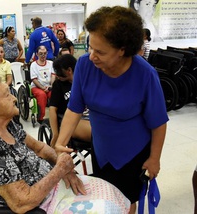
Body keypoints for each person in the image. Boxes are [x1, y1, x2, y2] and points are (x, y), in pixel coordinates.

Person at [54, 6, 168, 214]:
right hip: (102, 148)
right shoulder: (85, 66)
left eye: (100, 51)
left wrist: (154, 159)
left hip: (133, 152)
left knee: (127, 201)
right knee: (105, 196)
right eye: (90, 47)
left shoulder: (145, 75)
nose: (92, 55)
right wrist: (60, 142)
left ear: (122, 50)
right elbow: (74, 109)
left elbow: (159, 122)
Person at [0, 74, 131, 214]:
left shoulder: (7, 124)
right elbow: (22, 202)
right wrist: (59, 171)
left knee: (112, 192)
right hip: (39, 206)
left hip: (51, 188)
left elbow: (40, 148)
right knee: (107, 208)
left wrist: (66, 169)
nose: (14, 98)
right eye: (7, 95)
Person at [49, 54, 91, 148]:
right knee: (99, 132)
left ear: (69, 70)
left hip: (90, 115)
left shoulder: (84, 80)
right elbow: (52, 109)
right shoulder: (58, 84)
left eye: (59, 72)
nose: (57, 75)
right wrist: (55, 134)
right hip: (72, 119)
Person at [30, 46, 56, 124]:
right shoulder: (33, 65)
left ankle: (55, 115)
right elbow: (34, 79)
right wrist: (42, 87)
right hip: (37, 87)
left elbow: (53, 75)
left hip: (49, 86)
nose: (43, 55)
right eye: (41, 54)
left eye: (45, 53)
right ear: (37, 54)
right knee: (42, 95)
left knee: (54, 94)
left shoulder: (50, 63)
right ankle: (41, 117)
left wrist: (51, 86)